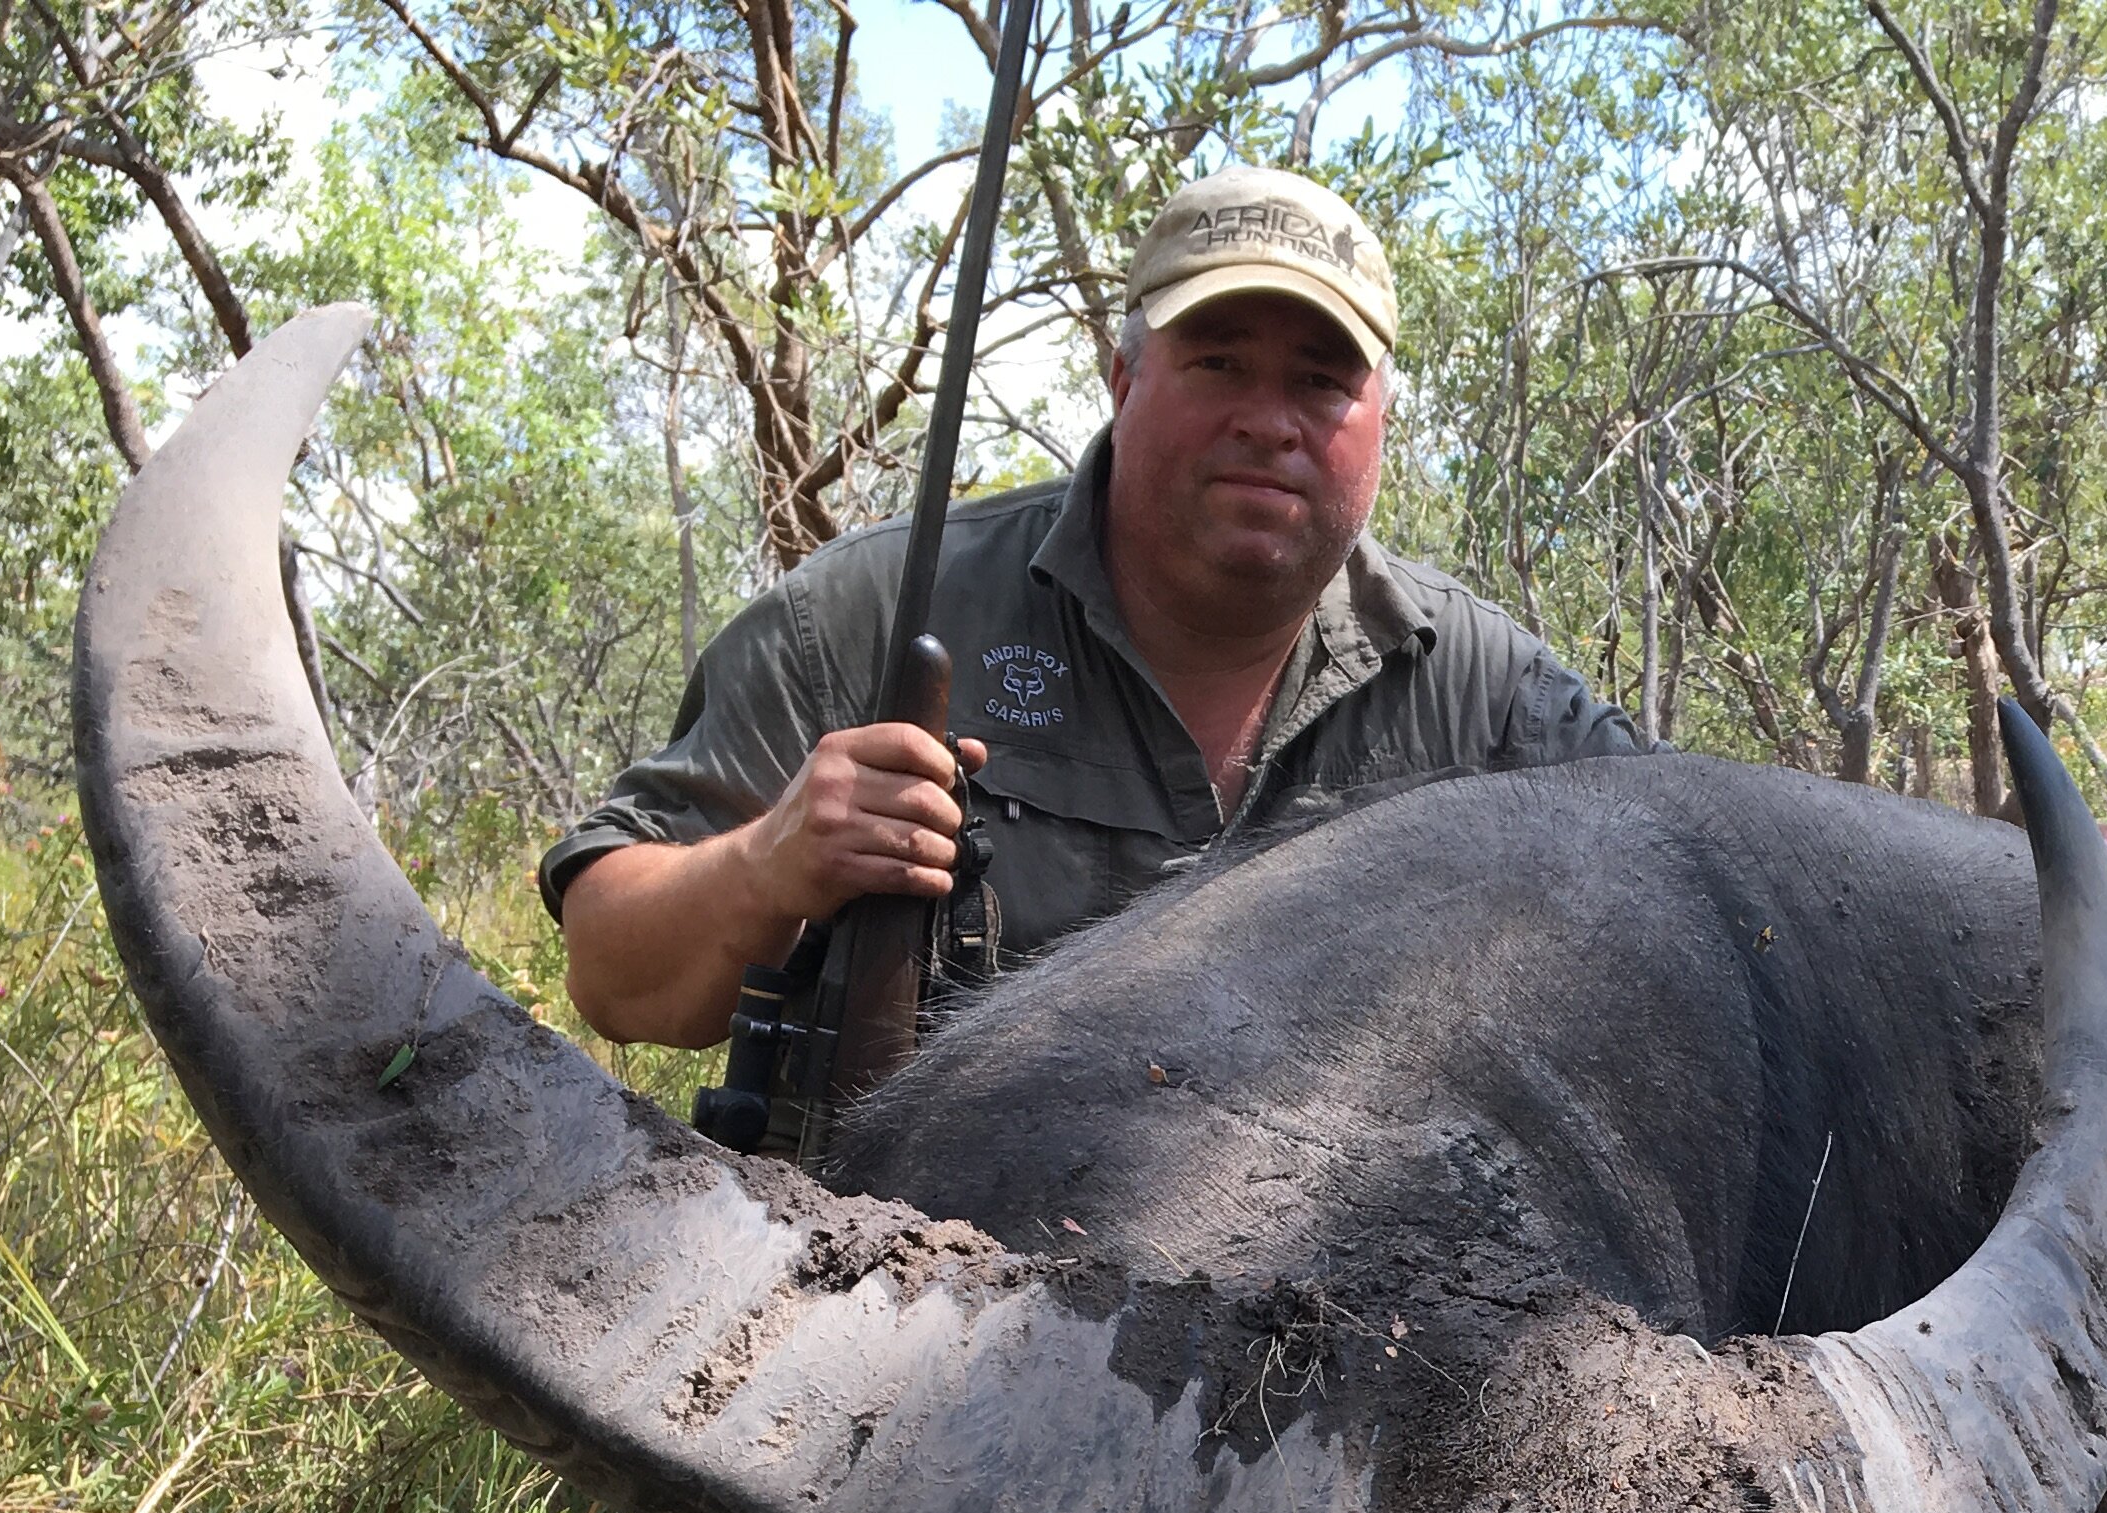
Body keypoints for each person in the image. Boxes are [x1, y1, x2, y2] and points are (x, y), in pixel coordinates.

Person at [548, 166, 1642, 1049]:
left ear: (1380, 424)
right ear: (1123, 387)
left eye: (1319, 381)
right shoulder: (871, 614)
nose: (1270, 421)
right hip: (900, 1305)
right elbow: (610, 974)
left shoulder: (1489, 696)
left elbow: (1708, 906)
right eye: (1219, 361)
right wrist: (766, 863)